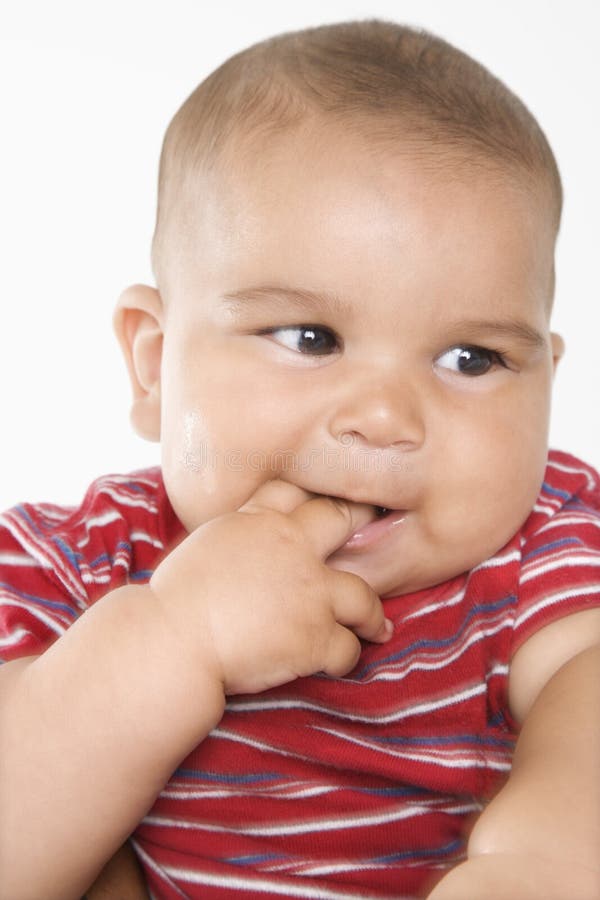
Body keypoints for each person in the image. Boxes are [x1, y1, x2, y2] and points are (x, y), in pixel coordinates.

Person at [1, 19, 599, 900]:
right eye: (311, 337)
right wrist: (176, 635)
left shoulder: (546, 547)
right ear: (156, 362)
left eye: (472, 359)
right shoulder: (75, 559)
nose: (386, 418)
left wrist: (543, 865)